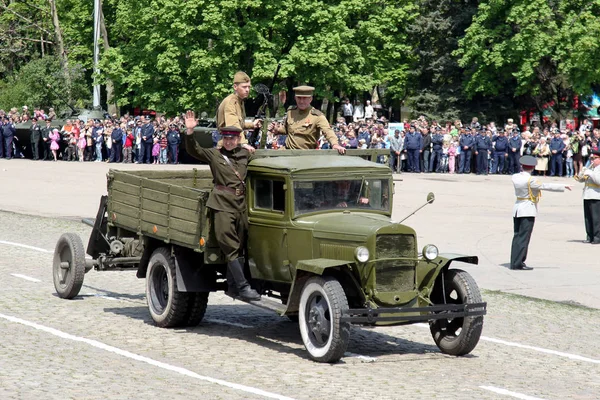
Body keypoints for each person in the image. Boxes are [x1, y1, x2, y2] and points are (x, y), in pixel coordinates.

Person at [184, 111, 260, 301]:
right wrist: (190, 131)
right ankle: (243, 287)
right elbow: (195, 150)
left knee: (241, 245)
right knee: (230, 245)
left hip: (241, 205)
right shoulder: (215, 155)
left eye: (232, 139)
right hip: (222, 205)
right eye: (225, 138)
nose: (228, 142)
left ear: (238, 139)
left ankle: (233, 286)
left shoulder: (245, 154)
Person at [510, 155, 571, 270]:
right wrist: (563, 186)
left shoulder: (515, 177)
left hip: (518, 208)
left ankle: (514, 260)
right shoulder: (531, 180)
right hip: (528, 209)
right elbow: (545, 186)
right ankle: (518, 262)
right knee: (524, 237)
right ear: (532, 167)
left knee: (517, 236)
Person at [278, 86, 345, 154]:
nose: (301, 101)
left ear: (310, 99)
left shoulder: (317, 116)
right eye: (299, 98)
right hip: (287, 152)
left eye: (304, 98)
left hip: (306, 154)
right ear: (295, 98)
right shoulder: (291, 112)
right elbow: (287, 130)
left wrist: (335, 144)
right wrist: (276, 130)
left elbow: (328, 131)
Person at [216, 71, 261, 148]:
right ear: (235, 87)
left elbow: (239, 123)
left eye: (249, 87)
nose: (247, 90)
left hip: (233, 144)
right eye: (244, 87)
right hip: (228, 146)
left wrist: (252, 125)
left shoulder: (240, 101)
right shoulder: (231, 102)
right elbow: (233, 125)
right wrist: (244, 143)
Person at [577, 149, 600, 244]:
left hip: (596, 195)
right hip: (587, 194)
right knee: (588, 218)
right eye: (591, 158)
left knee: (596, 219)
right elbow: (581, 180)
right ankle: (589, 236)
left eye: (594, 158)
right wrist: (581, 173)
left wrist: (590, 173)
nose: (592, 161)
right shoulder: (591, 168)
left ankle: (597, 237)